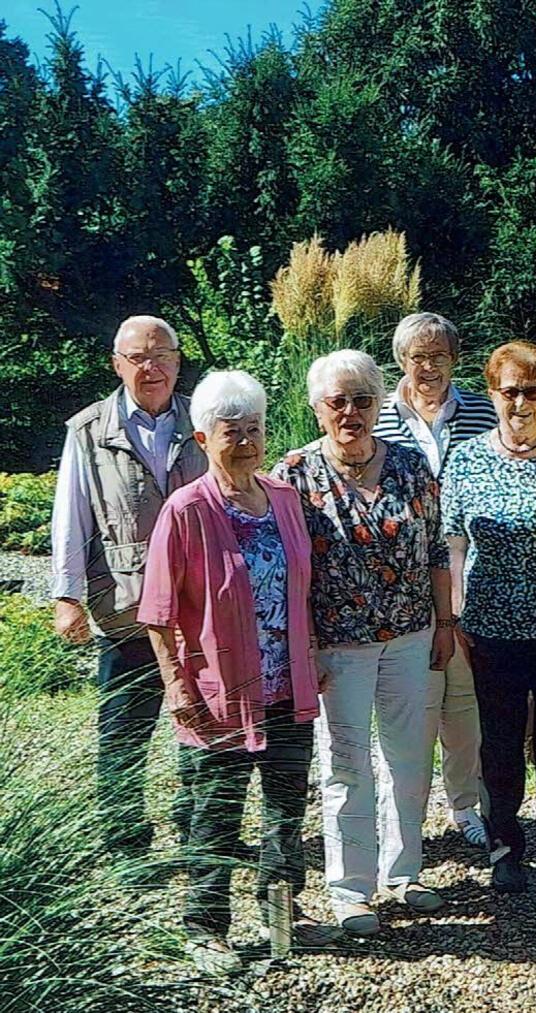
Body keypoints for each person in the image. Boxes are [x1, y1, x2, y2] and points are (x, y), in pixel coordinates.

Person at [138, 371, 336, 974]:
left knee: (284, 807)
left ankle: (281, 918)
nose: (246, 441)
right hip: (216, 693)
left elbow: (303, 586)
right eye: (232, 432)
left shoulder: (282, 498)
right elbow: (158, 610)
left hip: (288, 683)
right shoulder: (187, 509)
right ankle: (205, 928)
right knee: (214, 812)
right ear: (203, 438)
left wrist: (316, 651)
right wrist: (175, 684)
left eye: (254, 429)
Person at [272, 349, 455, 937]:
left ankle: (406, 873)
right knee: (346, 766)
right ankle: (351, 890)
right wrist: (301, 646)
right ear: (316, 406)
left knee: (407, 760)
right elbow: (286, 569)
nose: (351, 412)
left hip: (411, 636)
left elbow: (434, 552)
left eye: (363, 400)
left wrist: (446, 623)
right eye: (337, 401)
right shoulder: (293, 474)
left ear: (380, 403)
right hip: (336, 647)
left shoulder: (409, 467)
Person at [50, 315, 207, 866]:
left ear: (178, 360)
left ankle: (200, 837)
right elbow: (71, 517)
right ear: (117, 364)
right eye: (138, 356)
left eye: (162, 354)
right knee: (124, 733)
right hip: (126, 605)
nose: (152, 366)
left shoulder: (203, 418)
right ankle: (126, 849)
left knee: (200, 724)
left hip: (198, 608)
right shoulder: (89, 429)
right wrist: (67, 595)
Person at [442, 341, 536, 894]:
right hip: (490, 630)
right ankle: (504, 846)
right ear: (492, 395)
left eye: (533, 392)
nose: (521, 403)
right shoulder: (467, 458)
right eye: (510, 392)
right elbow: (453, 543)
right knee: (499, 744)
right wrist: (454, 615)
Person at [373, 311, 496, 847]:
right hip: (398, 587)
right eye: (418, 357)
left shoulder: (483, 413)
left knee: (466, 708)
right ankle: (402, 820)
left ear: (455, 359)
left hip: (470, 580)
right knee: (407, 712)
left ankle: (467, 808)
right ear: (402, 361)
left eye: (438, 356)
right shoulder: (373, 417)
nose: (428, 368)